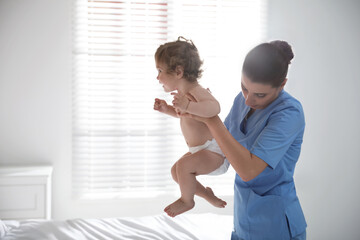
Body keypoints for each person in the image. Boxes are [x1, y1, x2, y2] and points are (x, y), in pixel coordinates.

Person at [180, 41, 307, 240]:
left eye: (260, 94)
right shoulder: (243, 101)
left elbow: (248, 170)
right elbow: (221, 144)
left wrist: (211, 119)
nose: (248, 100)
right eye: (244, 87)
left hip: (276, 225)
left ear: (282, 84)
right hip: (244, 219)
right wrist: (194, 111)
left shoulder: (289, 114)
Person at [153, 37, 230, 218]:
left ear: (178, 72)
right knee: (176, 172)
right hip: (200, 151)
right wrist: (168, 109)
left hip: (214, 152)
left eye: (160, 70)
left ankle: (187, 201)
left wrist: (187, 105)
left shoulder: (195, 91)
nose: (157, 76)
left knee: (184, 166)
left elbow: (214, 108)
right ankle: (206, 194)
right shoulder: (184, 97)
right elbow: (187, 115)